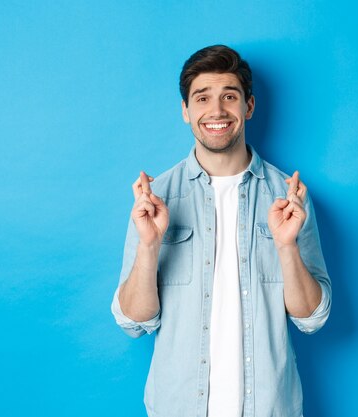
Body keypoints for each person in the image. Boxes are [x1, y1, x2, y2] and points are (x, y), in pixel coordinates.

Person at [111, 45, 331, 417]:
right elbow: (134, 322)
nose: (216, 111)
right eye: (202, 98)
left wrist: (286, 246)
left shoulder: (288, 197)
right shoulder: (157, 198)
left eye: (229, 96)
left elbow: (311, 318)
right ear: (185, 111)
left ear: (248, 107)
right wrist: (149, 246)